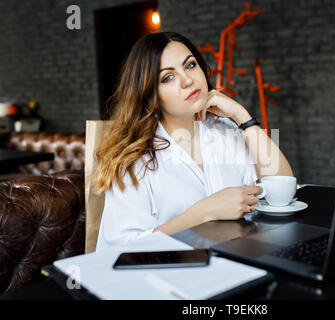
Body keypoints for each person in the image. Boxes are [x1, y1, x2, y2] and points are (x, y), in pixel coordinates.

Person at [93, 31, 293, 250]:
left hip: (239, 262)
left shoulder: (225, 131)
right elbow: (121, 250)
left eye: (190, 65)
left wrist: (242, 117)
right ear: (150, 94)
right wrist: (204, 212)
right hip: (170, 275)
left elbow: (283, 191)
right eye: (167, 78)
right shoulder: (135, 156)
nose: (188, 80)